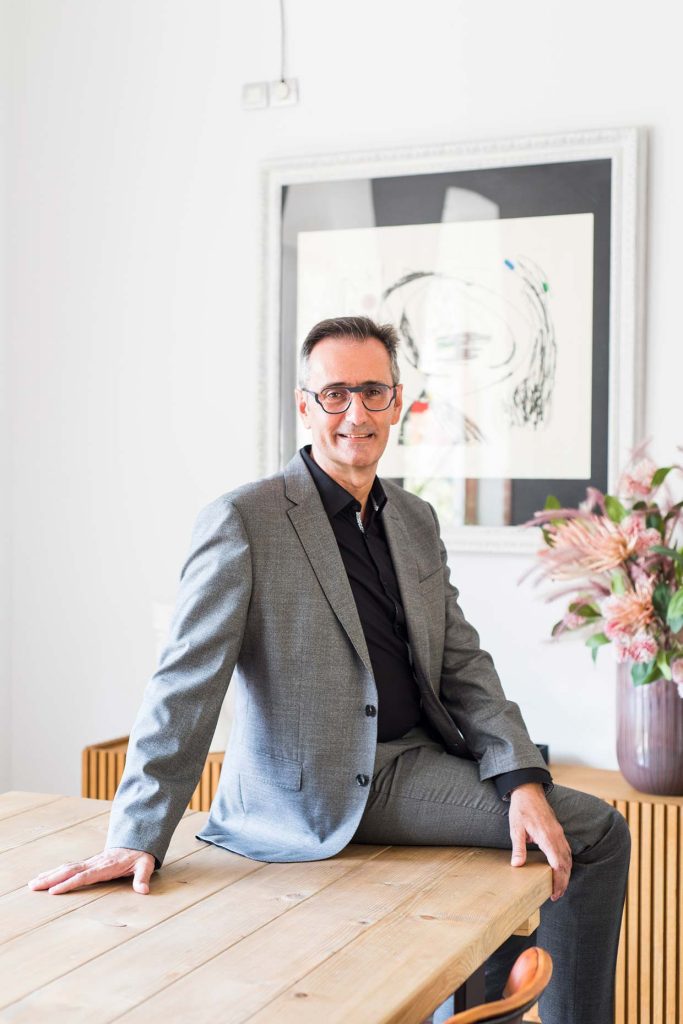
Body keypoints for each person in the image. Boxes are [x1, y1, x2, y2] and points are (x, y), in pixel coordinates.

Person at [29, 316, 629, 1023]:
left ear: (397, 402)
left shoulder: (414, 518)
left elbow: (462, 662)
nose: (355, 413)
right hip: (327, 784)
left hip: (424, 754)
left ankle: (481, 1000)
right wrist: (135, 836)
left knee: (529, 848)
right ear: (304, 404)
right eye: (335, 393)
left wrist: (520, 776)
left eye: (373, 392)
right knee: (598, 831)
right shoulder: (244, 519)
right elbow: (183, 683)